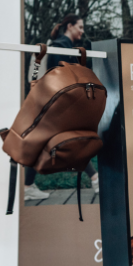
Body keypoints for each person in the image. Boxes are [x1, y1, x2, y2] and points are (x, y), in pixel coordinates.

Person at [24, 14, 98, 201]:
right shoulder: (60, 47)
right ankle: (96, 179)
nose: (82, 31)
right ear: (70, 26)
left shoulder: (63, 46)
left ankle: (27, 186)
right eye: (80, 27)